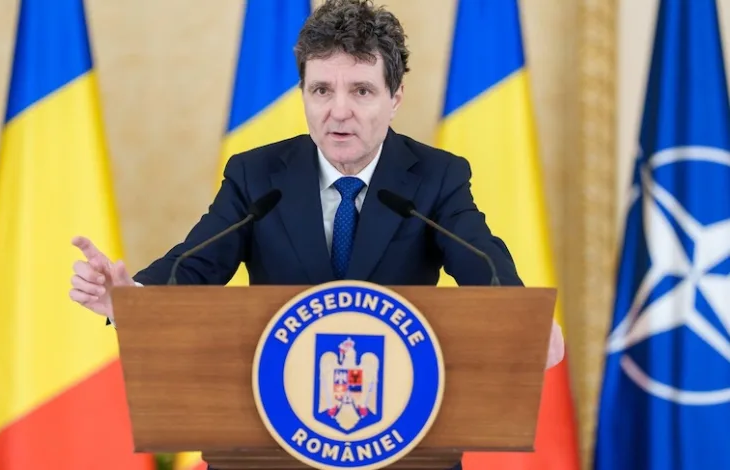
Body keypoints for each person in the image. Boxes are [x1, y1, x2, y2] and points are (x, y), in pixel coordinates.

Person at [70, 1, 564, 467]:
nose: (338, 110)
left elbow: (484, 265)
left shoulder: (436, 178)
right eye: (322, 90)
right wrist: (131, 300)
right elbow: (195, 264)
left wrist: (523, 325)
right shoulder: (256, 176)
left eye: (361, 91)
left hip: (399, 444)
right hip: (270, 441)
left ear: (395, 98)